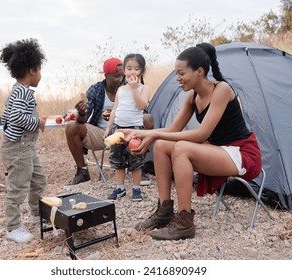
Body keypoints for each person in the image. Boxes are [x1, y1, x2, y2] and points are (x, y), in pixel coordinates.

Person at [120, 43, 262, 240]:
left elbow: (201, 135)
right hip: (216, 150)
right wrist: (144, 133)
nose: (177, 78)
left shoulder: (222, 89)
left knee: (181, 149)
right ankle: (164, 211)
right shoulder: (192, 97)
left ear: (200, 72)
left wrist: (153, 135)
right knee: (161, 145)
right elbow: (171, 130)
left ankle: (185, 222)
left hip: (241, 153)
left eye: (181, 73)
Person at [65, 58, 153, 185]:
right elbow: (83, 120)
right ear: (106, 76)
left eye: (121, 75)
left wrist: (119, 113)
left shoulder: (130, 87)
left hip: (129, 131)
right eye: (116, 76)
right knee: (71, 126)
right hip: (103, 134)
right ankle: (82, 171)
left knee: (148, 118)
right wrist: (82, 112)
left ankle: (139, 164)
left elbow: (142, 111)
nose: (120, 79)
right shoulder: (96, 90)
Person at [0, 38, 47, 243]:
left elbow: (7, 115)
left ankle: (36, 214)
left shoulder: (20, 91)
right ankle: (13, 227)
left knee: (38, 179)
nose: (41, 74)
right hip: (18, 148)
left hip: (26, 147)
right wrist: (37, 122)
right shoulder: (22, 92)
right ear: (32, 70)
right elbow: (16, 117)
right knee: (17, 187)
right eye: (40, 69)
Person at [104, 53, 151, 201]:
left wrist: (134, 89)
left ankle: (136, 189)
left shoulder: (144, 88)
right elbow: (115, 110)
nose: (132, 72)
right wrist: (108, 128)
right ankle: (120, 188)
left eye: (136, 68)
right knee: (118, 160)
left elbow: (141, 105)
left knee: (135, 160)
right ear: (124, 70)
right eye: (129, 68)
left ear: (142, 71)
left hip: (135, 129)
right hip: (118, 128)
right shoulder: (120, 90)